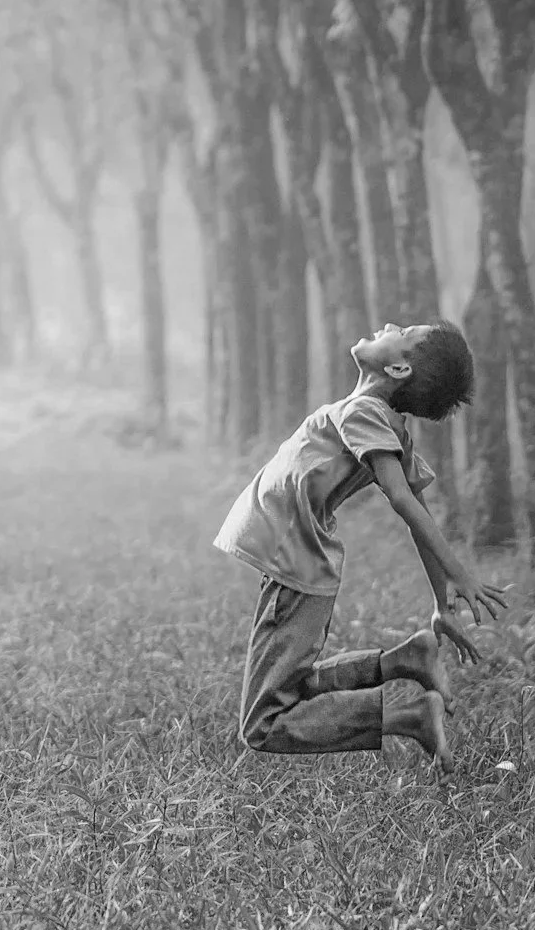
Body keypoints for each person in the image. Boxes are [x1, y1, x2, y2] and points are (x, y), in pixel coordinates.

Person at [214, 320, 507, 765]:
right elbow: (418, 511)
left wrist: (458, 573)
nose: (389, 325)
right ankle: (407, 659)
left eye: (403, 332)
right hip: (296, 563)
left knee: (264, 723)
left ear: (398, 368)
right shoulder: (379, 420)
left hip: (295, 566)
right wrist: (441, 605)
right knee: (293, 684)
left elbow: (405, 500)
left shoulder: (365, 414)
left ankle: (411, 717)